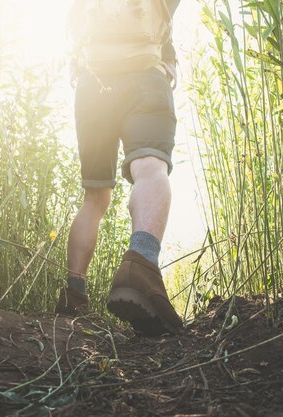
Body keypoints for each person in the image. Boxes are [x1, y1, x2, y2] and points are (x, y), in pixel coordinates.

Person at [55, 0, 182, 336]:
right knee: (150, 166)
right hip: (144, 77)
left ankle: (74, 294)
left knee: (95, 196)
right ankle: (140, 264)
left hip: (93, 84)